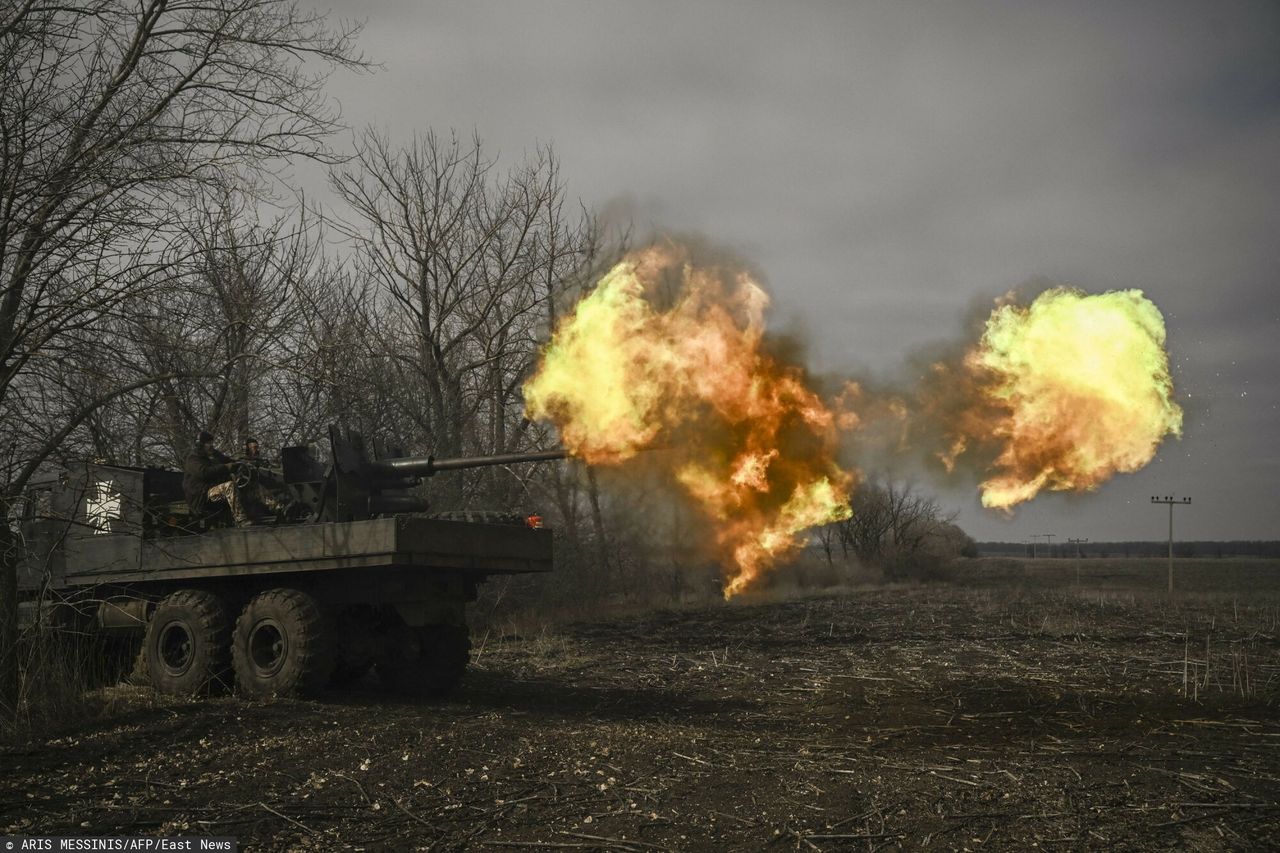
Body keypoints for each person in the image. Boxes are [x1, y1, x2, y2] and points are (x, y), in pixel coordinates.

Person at [183, 431, 251, 527]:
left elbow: (229, 461)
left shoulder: (214, 455)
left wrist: (240, 464)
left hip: (213, 489)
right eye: (208, 443)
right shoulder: (193, 459)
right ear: (201, 445)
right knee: (229, 486)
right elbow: (204, 473)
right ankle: (241, 520)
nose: (211, 445)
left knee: (247, 486)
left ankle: (275, 507)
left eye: (211, 442)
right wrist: (225, 467)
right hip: (201, 494)